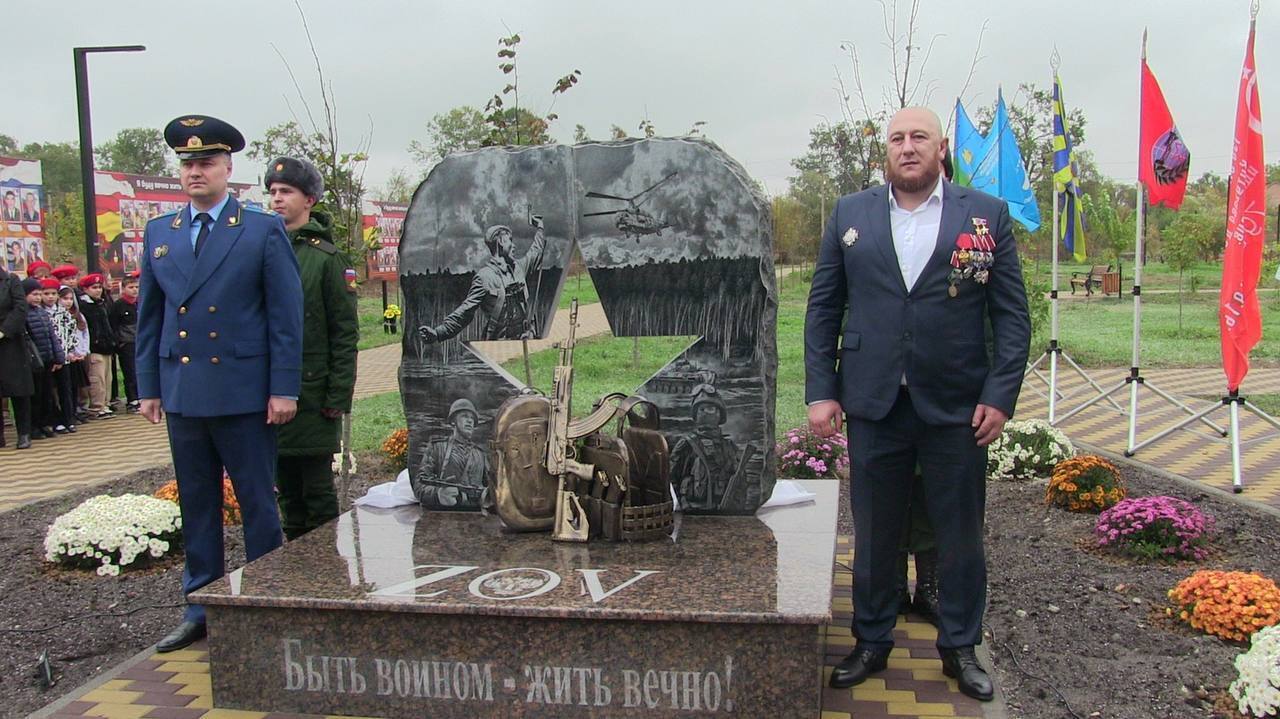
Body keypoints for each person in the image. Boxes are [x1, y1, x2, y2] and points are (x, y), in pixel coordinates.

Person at [805, 107, 1030, 701]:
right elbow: (823, 308)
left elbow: (1011, 317)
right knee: (874, 533)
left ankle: (960, 647)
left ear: (941, 147)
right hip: (873, 401)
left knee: (960, 534)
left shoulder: (985, 215)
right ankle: (871, 640)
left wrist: (1000, 396)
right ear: (887, 149)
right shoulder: (850, 214)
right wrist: (822, 390)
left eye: (919, 137)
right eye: (898, 138)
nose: (907, 147)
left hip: (957, 405)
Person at [137, 114, 303, 653]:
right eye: (187, 164)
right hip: (184, 391)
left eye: (206, 162)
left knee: (257, 504)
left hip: (243, 391)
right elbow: (150, 316)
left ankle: (266, 602)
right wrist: (148, 386)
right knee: (197, 505)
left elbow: (285, 317)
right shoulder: (160, 232)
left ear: (228, 169)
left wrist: (284, 388)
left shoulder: (259, 229)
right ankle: (200, 607)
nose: (195, 172)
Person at [265, 156, 358, 540]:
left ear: (309, 200)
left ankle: (324, 564)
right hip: (269, 390)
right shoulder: (261, 249)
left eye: (286, 191)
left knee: (317, 491)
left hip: (314, 394)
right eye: (272, 191)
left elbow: (345, 332)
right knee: (285, 490)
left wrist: (338, 394)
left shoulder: (327, 259)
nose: (277, 198)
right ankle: (294, 561)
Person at [417, 216, 547, 343]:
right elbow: (464, 313)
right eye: (510, 241)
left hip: (526, 339)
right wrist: (438, 333)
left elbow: (536, 251)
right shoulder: (484, 277)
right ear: (500, 242)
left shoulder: (519, 268)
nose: (514, 246)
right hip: (499, 344)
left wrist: (540, 228)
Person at [669, 383, 753, 511]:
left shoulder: (729, 446)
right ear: (695, 415)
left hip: (724, 507)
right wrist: (682, 502)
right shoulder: (687, 444)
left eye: (710, 409)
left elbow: (741, 481)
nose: (705, 413)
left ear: (719, 414)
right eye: (701, 409)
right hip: (693, 506)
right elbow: (672, 476)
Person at [411, 398, 488, 508]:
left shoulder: (480, 454)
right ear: (453, 421)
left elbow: (493, 486)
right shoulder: (437, 447)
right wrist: (438, 494)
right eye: (464, 416)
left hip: (476, 513)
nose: (470, 421)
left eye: (472, 418)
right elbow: (419, 485)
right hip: (444, 513)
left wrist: (488, 495)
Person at [23, 277, 63, 439]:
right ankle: (34, 426)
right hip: (33, 361)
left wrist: (58, 356)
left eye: (39, 294)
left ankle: (45, 423)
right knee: (36, 395)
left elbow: (52, 336)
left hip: (47, 359)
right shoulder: (23, 313)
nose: (38, 298)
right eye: (34, 294)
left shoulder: (42, 313)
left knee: (47, 394)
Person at [0, 265, 34, 449]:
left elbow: (20, 308)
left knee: (18, 389)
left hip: (10, 342)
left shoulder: (11, 280)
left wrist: (4, 330)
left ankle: (24, 433)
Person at [77, 273, 115, 418]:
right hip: (94, 347)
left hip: (106, 346)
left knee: (107, 378)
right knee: (97, 378)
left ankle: (105, 403)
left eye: (99, 287)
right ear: (85, 289)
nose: (98, 290)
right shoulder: (84, 306)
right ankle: (96, 406)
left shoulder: (101, 303)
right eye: (94, 287)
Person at [110, 272, 141, 413]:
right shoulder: (118, 305)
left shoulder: (140, 303)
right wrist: (119, 342)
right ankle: (132, 399)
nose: (134, 290)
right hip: (127, 343)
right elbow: (114, 325)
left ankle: (141, 396)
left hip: (140, 341)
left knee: (141, 370)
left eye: (136, 287)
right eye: (131, 287)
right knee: (130, 371)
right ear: (123, 288)